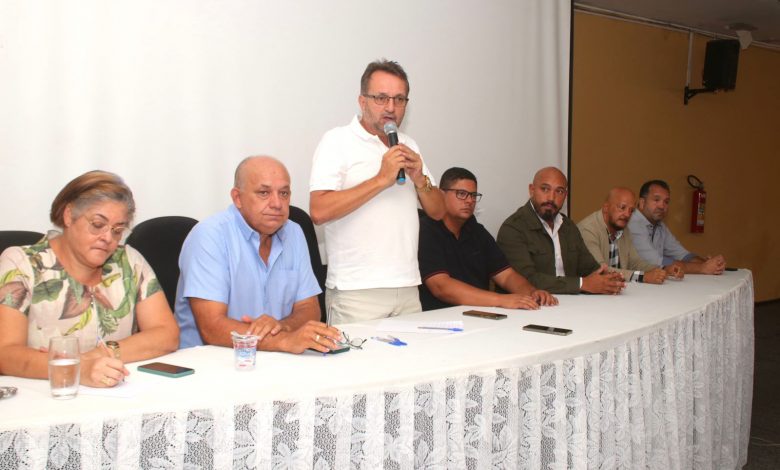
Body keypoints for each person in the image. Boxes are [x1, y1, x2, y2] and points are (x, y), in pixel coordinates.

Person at [0, 171, 179, 388]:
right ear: (69, 215)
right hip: (46, 395)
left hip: (116, 391)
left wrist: (94, 356)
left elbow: (167, 335)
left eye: (117, 230)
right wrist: (79, 369)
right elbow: (5, 353)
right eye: (97, 224)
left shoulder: (129, 261)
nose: (108, 238)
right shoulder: (22, 263)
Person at [309, 59, 445, 324]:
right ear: (362, 101)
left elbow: (439, 211)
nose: (391, 107)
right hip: (356, 292)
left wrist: (420, 179)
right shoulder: (337, 141)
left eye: (399, 99)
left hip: (408, 286)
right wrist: (381, 179)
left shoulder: (408, 144)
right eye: (381, 98)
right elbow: (319, 210)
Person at [175, 156, 341, 352]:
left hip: (274, 358)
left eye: (284, 193)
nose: (277, 203)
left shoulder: (294, 232)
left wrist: (281, 327)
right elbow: (212, 328)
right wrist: (284, 341)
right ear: (237, 198)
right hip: (208, 360)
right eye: (264, 193)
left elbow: (310, 309)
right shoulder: (209, 236)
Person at [418, 167, 558, 311]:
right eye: (461, 194)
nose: (469, 200)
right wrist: (500, 300)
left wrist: (531, 292)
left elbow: (506, 275)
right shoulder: (427, 229)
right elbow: (440, 287)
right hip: (439, 316)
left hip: (479, 313)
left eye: (473, 195)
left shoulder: (477, 231)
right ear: (441, 195)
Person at [496, 167, 625, 294]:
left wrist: (607, 279)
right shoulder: (513, 228)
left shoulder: (568, 226)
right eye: (545, 189)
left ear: (565, 196)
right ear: (532, 190)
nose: (551, 198)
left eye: (559, 191)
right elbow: (525, 280)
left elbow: (588, 267)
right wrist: (581, 284)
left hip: (573, 303)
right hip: (532, 304)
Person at [577, 187, 684, 285]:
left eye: (631, 210)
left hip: (616, 291)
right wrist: (643, 277)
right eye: (622, 207)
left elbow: (635, 262)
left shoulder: (623, 229)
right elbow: (600, 270)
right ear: (606, 208)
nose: (627, 214)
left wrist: (663, 269)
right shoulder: (587, 230)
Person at [628, 180, 726, 274]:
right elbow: (656, 261)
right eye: (656, 200)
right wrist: (702, 268)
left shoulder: (660, 225)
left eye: (666, 202)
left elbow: (682, 255)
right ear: (642, 203)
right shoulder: (632, 222)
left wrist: (709, 263)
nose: (662, 206)